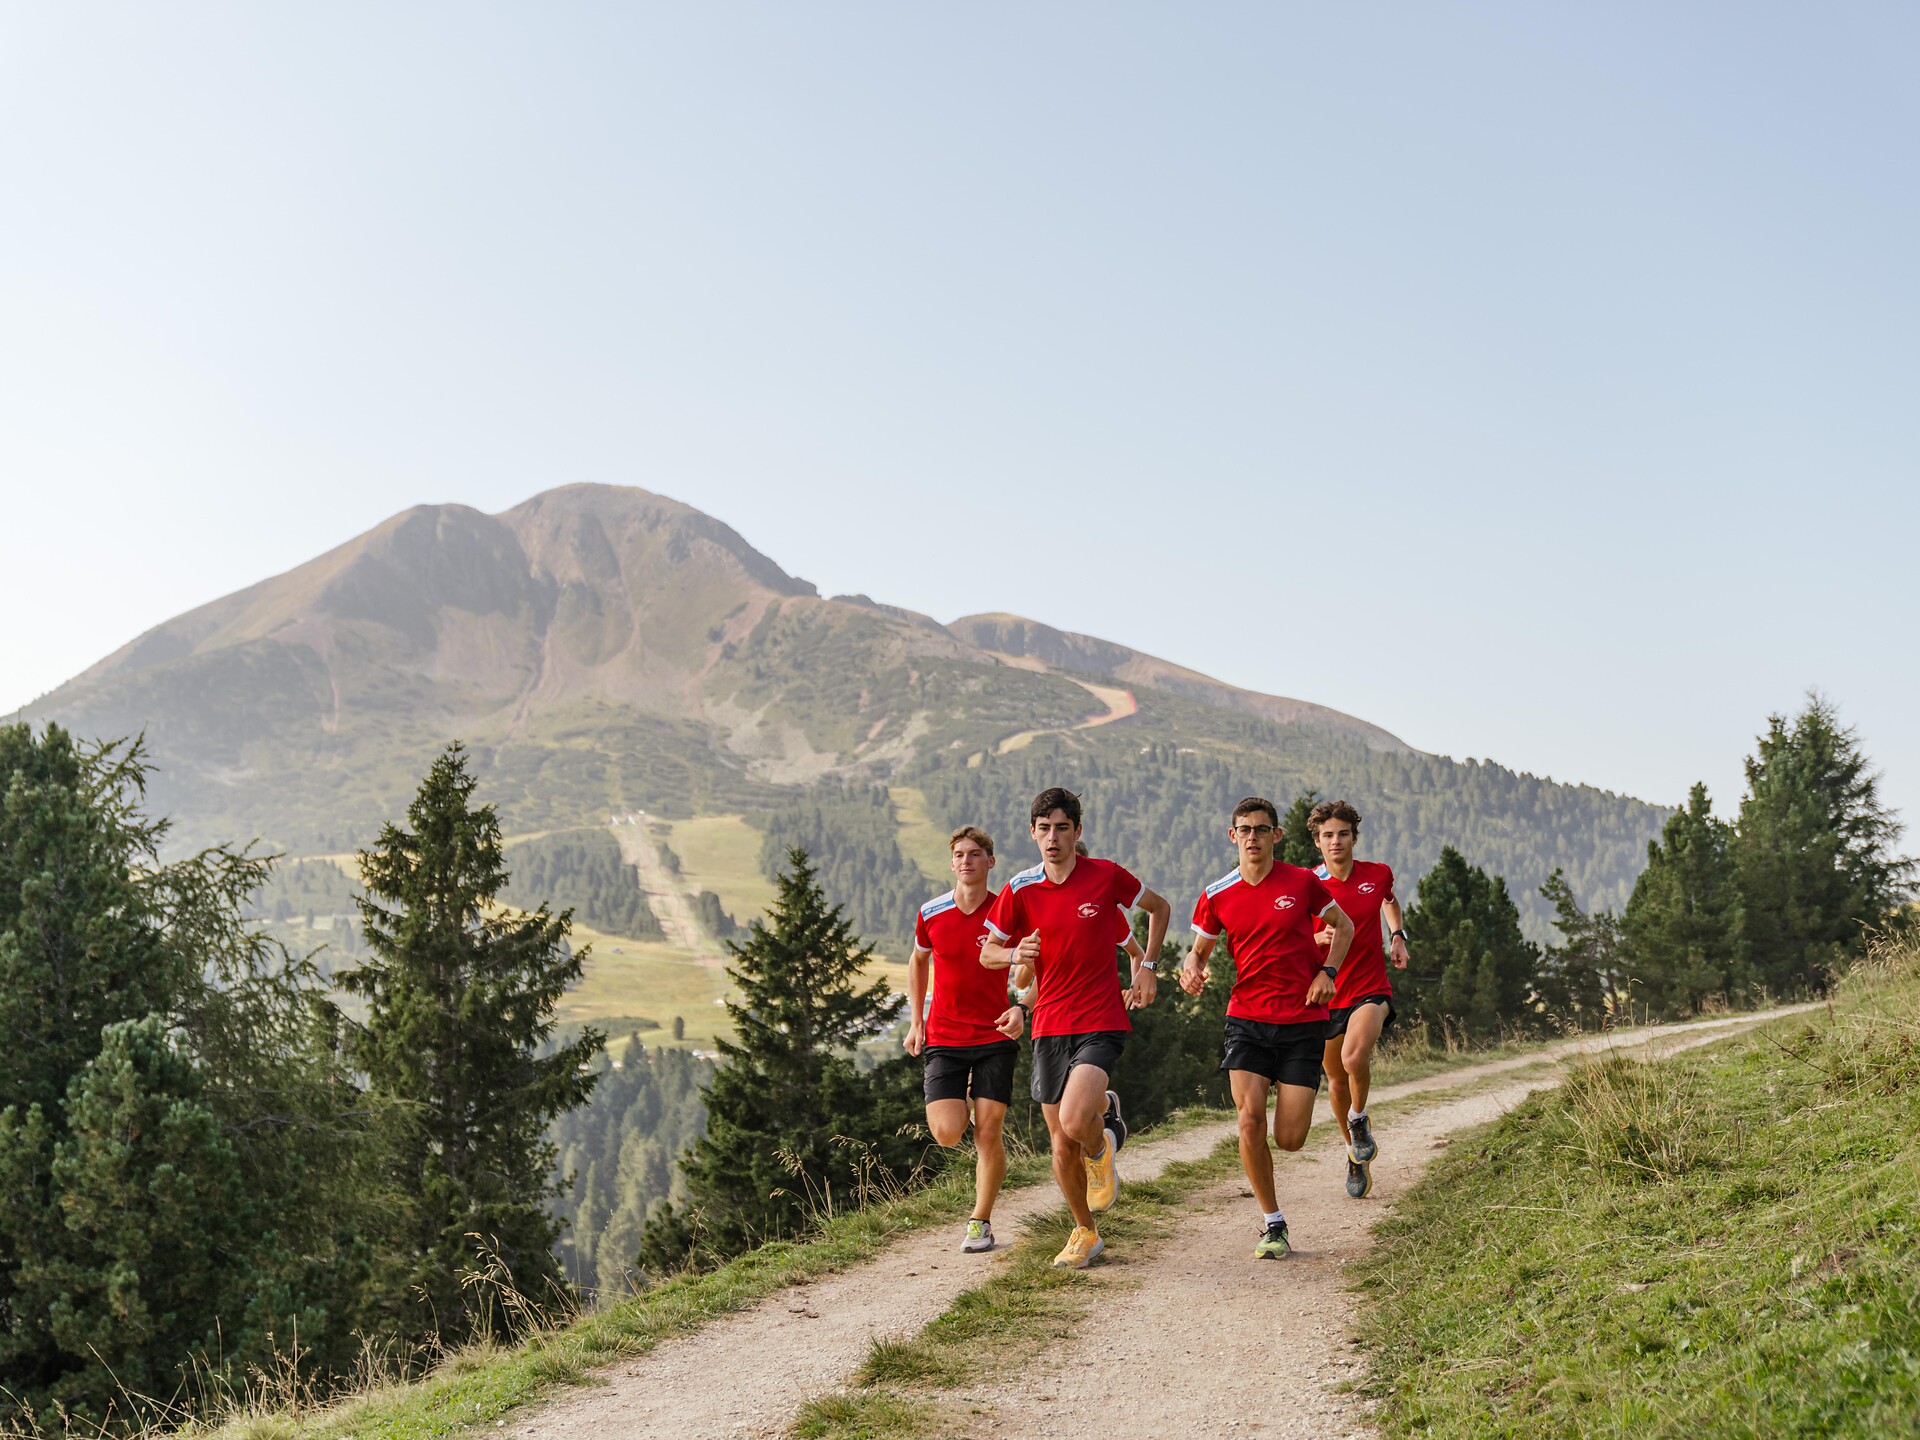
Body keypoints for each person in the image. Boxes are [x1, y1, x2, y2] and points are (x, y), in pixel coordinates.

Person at [981, 787, 1170, 1269]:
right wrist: (1012, 954)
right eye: (1044, 829)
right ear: (1032, 833)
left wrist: (1147, 965)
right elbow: (988, 952)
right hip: (1049, 1025)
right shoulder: (1020, 889)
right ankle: (1085, 1230)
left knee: (1073, 1120)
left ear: (1077, 832)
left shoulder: (1104, 876)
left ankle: (1100, 1139)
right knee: (1060, 1143)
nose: (1053, 838)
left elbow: (1160, 908)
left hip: (1100, 1019)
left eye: (1062, 828)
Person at [1178, 796, 1355, 1259]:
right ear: (1232, 836)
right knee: (1249, 1120)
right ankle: (1272, 1224)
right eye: (1244, 829)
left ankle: (1293, 1105)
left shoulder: (1301, 882)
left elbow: (1347, 926)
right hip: (1247, 1020)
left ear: (1276, 836)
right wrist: (1191, 967)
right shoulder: (1217, 893)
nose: (1252, 837)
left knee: (1290, 1140)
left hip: (1302, 1021)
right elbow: (1199, 951)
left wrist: (1328, 972)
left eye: (1261, 829)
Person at [905, 825, 1027, 1252]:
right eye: (959, 854)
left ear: (990, 862)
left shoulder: (1006, 913)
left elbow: (1040, 964)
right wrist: (917, 1021)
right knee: (948, 1133)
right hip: (944, 1037)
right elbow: (918, 960)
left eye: (976, 854)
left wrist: (1022, 1006)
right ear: (951, 862)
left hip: (995, 1035)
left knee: (987, 1133)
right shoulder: (932, 912)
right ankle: (968, 1095)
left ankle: (981, 1222)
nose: (966, 861)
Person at [1309, 800, 1408, 1198]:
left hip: (1370, 987)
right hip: (1326, 993)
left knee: (1353, 1058)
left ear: (1354, 837)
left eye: (1343, 834)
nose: (1336, 842)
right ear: (1318, 841)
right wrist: (1316, 937)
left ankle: (1359, 1118)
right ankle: (1354, 1154)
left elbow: (1390, 902)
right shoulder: (1307, 885)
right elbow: (1289, 931)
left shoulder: (1377, 874)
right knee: (1334, 1078)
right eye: (1328, 835)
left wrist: (1398, 935)